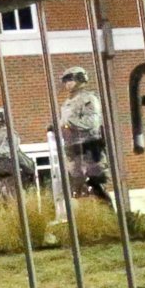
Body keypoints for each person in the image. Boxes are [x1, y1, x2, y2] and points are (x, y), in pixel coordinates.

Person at [55, 67, 110, 200]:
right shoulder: (67, 103)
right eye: (65, 80)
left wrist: (70, 123)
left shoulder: (89, 99)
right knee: (77, 189)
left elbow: (92, 122)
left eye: (70, 79)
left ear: (80, 79)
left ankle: (108, 213)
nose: (67, 83)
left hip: (89, 148)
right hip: (72, 150)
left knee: (96, 185)